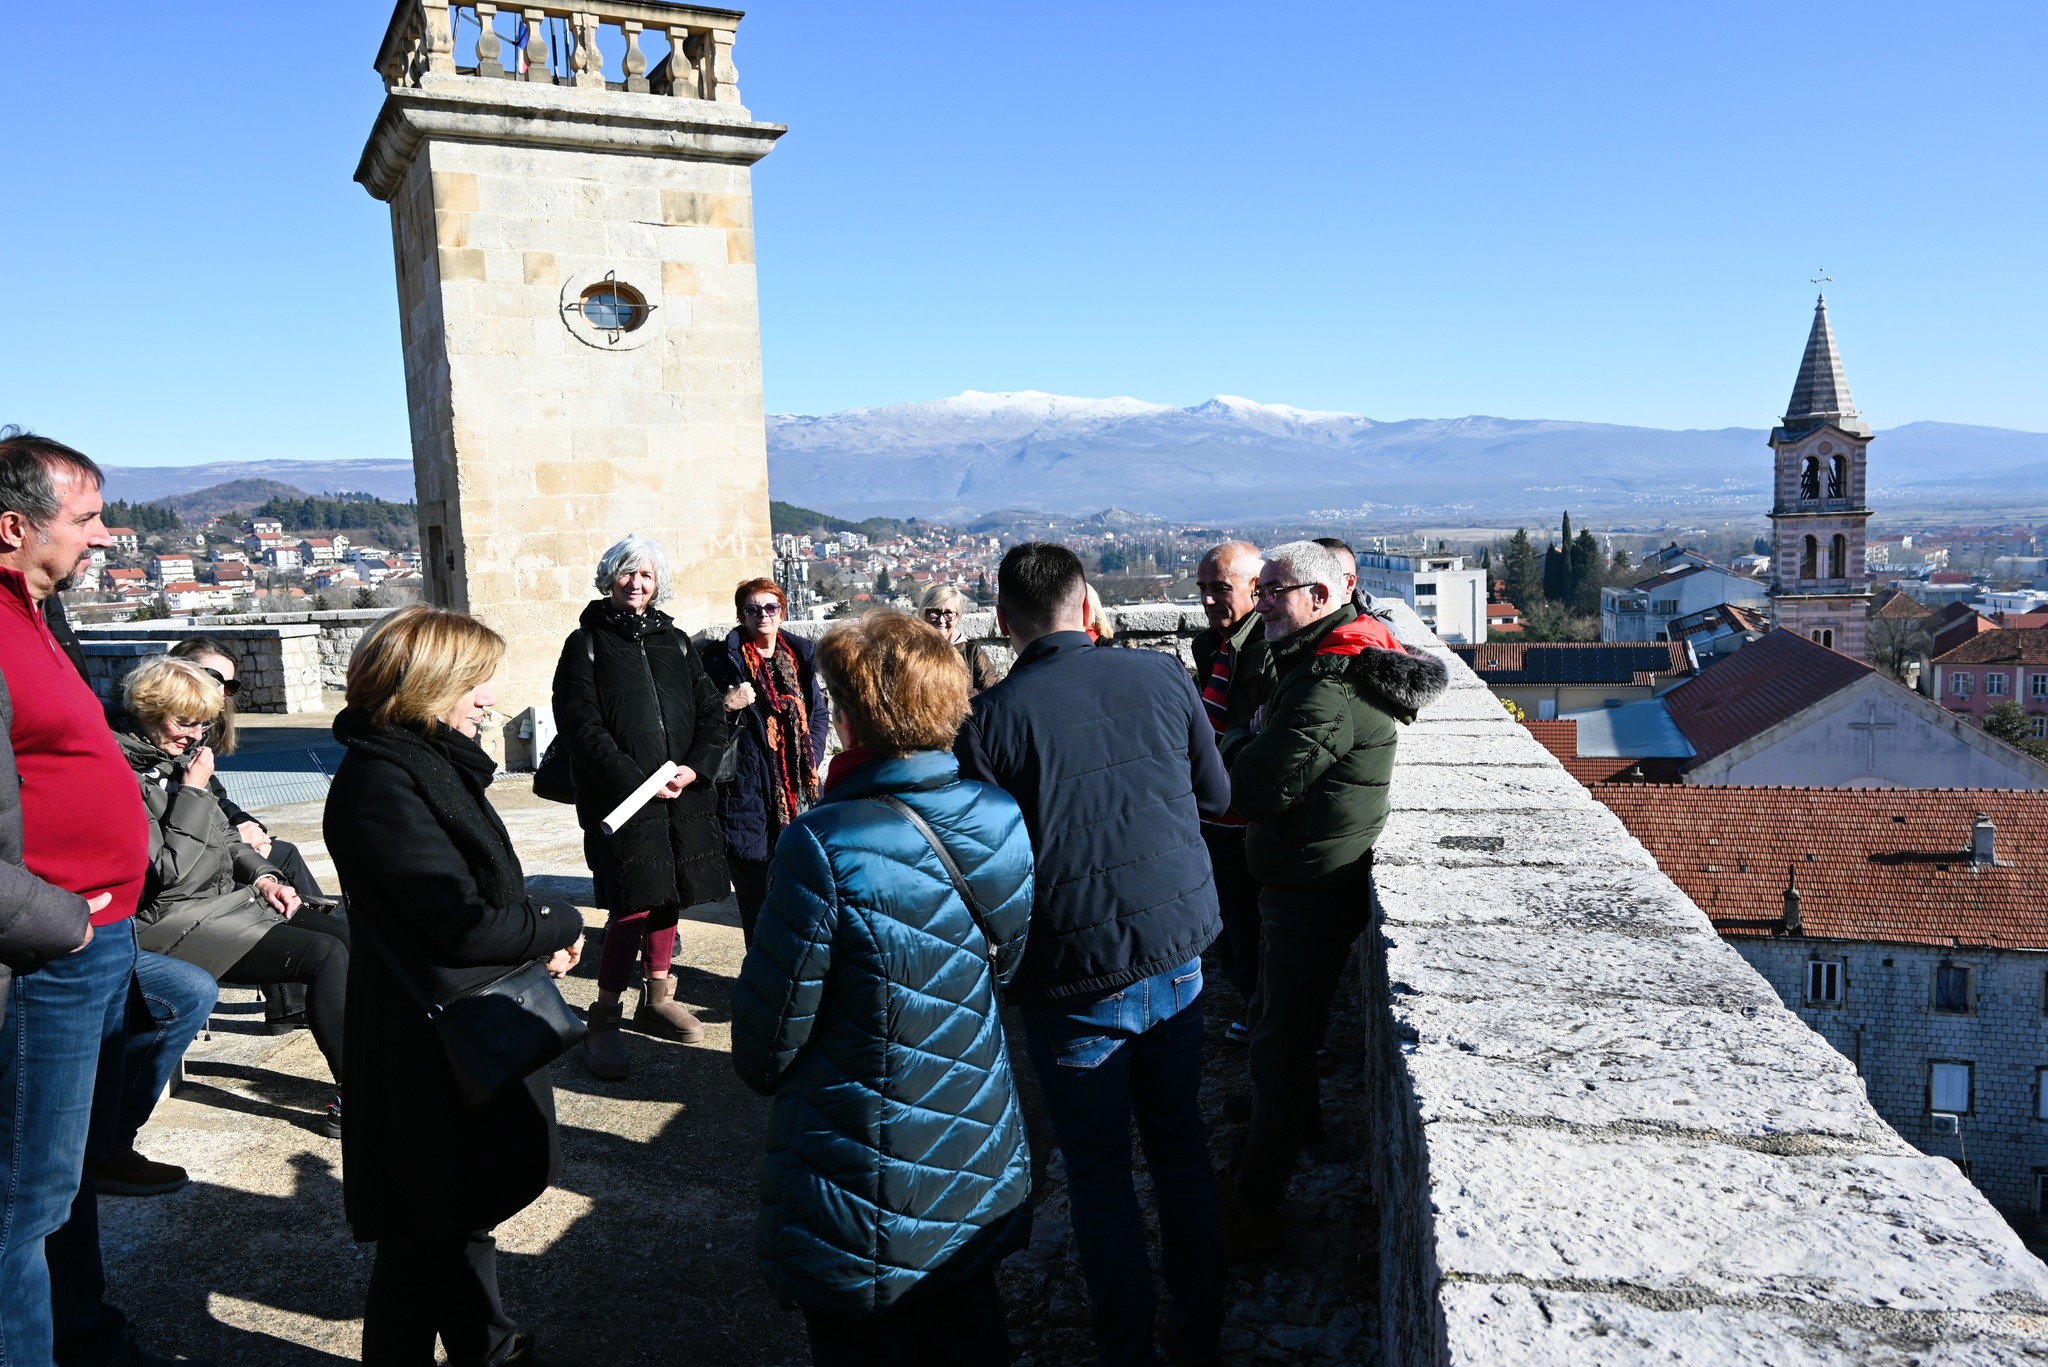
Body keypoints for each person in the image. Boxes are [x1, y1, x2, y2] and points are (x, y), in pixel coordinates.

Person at [733, 610, 1034, 1367]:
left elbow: (766, 1043)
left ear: (854, 717)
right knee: (969, 1324)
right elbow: (1005, 962)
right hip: (973, 1129)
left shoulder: (822, 842)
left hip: (859, 1154)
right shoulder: (999, 816)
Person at [955, 543, 1229, 1367]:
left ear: (1003, 623)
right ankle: (1200, 1332)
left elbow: (985, 867)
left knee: (1099, 1175)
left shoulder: (990, 721)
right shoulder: (1163, 676)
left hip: (1071, 972)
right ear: (1088, 605)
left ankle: (1125, 1348)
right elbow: (1217, 794)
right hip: (1175, 953)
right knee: (1180, 1147)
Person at [324, 605, 584, 1367]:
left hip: (438, 1032)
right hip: (422, 1047)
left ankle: (486, 1343)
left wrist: (529, 946)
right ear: (428, 685)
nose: (488, 698)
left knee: (450, 1216)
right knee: (421, 1235)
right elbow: (460, 924)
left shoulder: (420, 765)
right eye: (475, 681)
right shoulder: (384, 782)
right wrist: (555, 920)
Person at [0, 427, 182, 1367]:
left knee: (64, 1180)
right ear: (13, 527)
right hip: (50, 949)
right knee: (21, 1203)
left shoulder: (37, 613)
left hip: (99, 934)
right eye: (87, 517)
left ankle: (89, 1340)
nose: (105, 534)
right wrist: (64, 923)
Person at [1218, 541, 1446, 1258]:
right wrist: (1256, 736)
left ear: (1320, 596)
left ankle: (1253, 1209)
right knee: (1279, 1026)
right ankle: (1292, 1131)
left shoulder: (1332, 683)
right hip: (1312, 869)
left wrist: (1238, 739)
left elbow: (1252, 789)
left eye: (1274, 592)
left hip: (1310, 884)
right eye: (1260, 590)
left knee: (1279, 1044)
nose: (1260, 604)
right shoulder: (1327, 658)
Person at [116, 656, 349, 1132]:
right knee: (324, 956)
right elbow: (167, 873)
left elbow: (227, 839)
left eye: (203, 724)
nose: (195, 735)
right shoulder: (122, 774)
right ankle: (357, 1091)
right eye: (184, 722)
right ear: (148, 711)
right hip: (169, 922)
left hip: (222, 906)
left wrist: (265, 878)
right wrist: (194, 792)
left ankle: (379, 1063)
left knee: (346, 935)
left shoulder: (170, 760)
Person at [552, 536, 730, 1080]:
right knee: (631, 903)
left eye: (646, 575)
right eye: (627, 573)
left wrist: (693, 769)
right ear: (609, 578)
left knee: (670, 894)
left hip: (682, 794)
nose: (636, 583)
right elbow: (581, 726)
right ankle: (604, 1015)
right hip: (624, 798)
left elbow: (711, 713)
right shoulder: (584, 644)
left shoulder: (676, 642)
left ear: (658, 584)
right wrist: (639, 782)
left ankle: (657, 995)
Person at [703, 578, 829, 947]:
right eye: (753, 608)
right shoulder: (720, 661)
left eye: (771, 607)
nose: (763, 615)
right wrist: (727, 705)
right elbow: (697, 722)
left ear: (782, 612)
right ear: (741, 615)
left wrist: (809, 755)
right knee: (756, 898)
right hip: (747, 794)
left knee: (803, 891)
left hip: (799, 794)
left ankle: (795, 968)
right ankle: (761, 970)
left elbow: (817, 714)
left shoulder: (800, 656)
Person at [1190, 541, 1272, 1041]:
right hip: (1215, 814)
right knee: (1229, 926)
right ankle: (1255, 1012)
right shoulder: (1212, 644)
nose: (1207, 599)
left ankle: (1268, 1023)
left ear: (1256, 588)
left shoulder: (1267, 647)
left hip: (1244, 817)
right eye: (1202, 588)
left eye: (1220, 588)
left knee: (1249, 928)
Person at [918, 581, 1003, 693]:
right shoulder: (908, 653)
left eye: (948, 614)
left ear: (957, 617)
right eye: (934, 612)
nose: (941, 620)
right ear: (923, 613)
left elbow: (996, 693)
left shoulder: (972, 654)